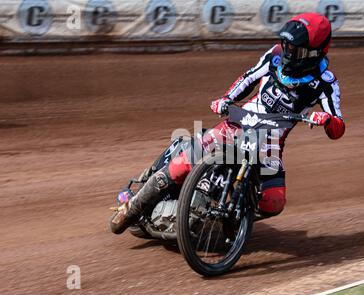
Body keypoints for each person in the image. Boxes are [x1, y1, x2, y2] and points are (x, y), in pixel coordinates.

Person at [109, 12, 345, 235]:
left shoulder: (326, 82)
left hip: (271, 142)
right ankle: (132, 207)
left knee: (274, 202)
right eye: (287, 46)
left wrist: (326, 120)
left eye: (296, 49)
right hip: (240, 122)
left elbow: (338, 127)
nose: (289, 52)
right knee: (185, 162)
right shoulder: (274, 56)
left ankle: (237, 217)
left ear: (314, 53)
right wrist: (227, 99)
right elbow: (248, 78)